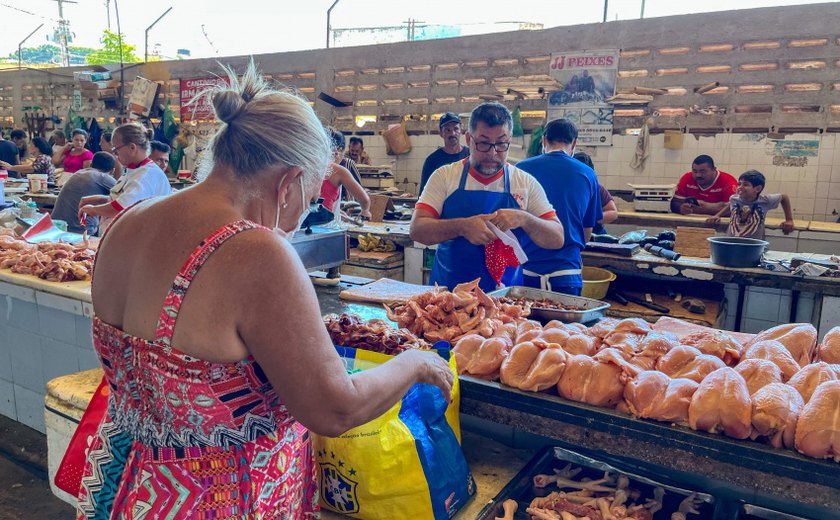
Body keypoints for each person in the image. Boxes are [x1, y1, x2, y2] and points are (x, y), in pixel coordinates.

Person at [77, 63, 453, 519]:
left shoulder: (125, 222)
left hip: (127, 491)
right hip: (219, 502)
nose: (302, 216)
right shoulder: (256, 251)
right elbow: (334, 409)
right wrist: (414, 362)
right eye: (311, 199)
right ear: (289, 182)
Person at [411, 102, 565, 292]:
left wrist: (524, 218)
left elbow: (557, 237)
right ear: (468, 139)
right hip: (449, 299)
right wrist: (462, 226)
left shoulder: (525, 183)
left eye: (501, 144)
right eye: (483, 143)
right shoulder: (445, 176)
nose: (492, 153)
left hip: (506, 301)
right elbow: (417, 230)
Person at [517, 119, 601, 295]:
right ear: (574, 144)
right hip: (567, 274)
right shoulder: (588, 174)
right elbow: (587, 231)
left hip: (526, 272)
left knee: (522, 323)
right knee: (566, 324)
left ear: (544, 140)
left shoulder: (521, 169)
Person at [78, 123, 172, 231]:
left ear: (132, 147)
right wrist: (99, 199)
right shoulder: (134, 170)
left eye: (116, 150)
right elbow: (126, 199)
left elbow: (120, 208)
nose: (115, 155)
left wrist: (92, 210)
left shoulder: (146, 175)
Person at [706, 170, 794, 239]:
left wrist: (789, 219)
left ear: (757, 189)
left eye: (745, 185)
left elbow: (784, 197)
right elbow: (730, 205)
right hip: (731, 241)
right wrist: (717, 215)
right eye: (739, 184)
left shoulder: (765, 201)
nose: (740, 187)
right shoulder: (734, 198)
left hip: (754, 244)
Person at [51, 152, 116, 235]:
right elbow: (123, 198)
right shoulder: (103, 177)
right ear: (112, 170)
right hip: (80, 231)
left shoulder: (78, 173)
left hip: (57, 226)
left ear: (91, 164)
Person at [419, 112, 470, 195]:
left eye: (456, 129)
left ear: (461, 131)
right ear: (441, 133)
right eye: (447, 130)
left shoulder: (471, 156)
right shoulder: (432, 161)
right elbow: (423, 194)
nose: (452, 133)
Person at [326, 128, 371, 218]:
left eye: (356, 151)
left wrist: (337, 211)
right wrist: (365, 212)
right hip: (326, 222)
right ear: (339, 150)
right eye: (352, 150)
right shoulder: (340, 169)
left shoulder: (312, 167)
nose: (354, 153)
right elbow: (364, 200)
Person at [670, 155, 737, 215]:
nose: (698, 175)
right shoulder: (687, 178)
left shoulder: (728, 181)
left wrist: (704, 209)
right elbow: (674, 203)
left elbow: (733, 209)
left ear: (714, 169)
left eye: (703, 171)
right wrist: (680, 208)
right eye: (695, 171)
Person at [573, 151, 618, 234]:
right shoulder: (566, 188)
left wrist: (592, 218)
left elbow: (613, 213)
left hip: (595, 233)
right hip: (572, 232)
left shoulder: (597, 188)